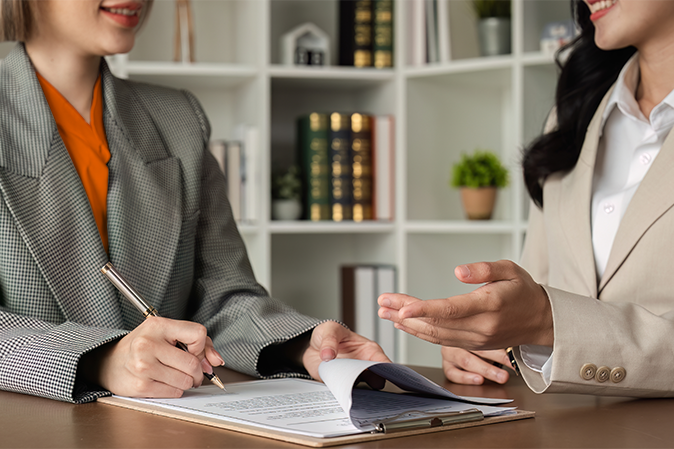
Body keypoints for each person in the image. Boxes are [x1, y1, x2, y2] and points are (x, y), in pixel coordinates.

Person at [0, 0, 388, 404]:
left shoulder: (179, 119)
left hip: (175, 424)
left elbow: (221, 294)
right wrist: (102, 359)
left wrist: (302, 345)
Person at [378, 0, 674, 396]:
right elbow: (541, 290)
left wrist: (547, 322)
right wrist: (492, 341)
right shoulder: (573, 116)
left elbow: (549, 316)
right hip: (558, 428)